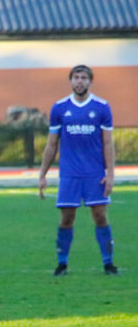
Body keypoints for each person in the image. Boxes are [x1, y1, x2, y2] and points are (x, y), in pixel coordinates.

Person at [39, 65, 118, 276]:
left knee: (100, 216)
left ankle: (108, 264)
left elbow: (108, 143)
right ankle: (62, 264)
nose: (79, 81)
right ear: (70, 81)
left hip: (94, 173)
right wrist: (43, 174)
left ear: (90, 81)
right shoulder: (59, 107)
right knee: (66, 218)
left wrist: (110, 174)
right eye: (76, 77)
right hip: (69, 174)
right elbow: (51, 144)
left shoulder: (102, 107)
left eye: (83, 78)